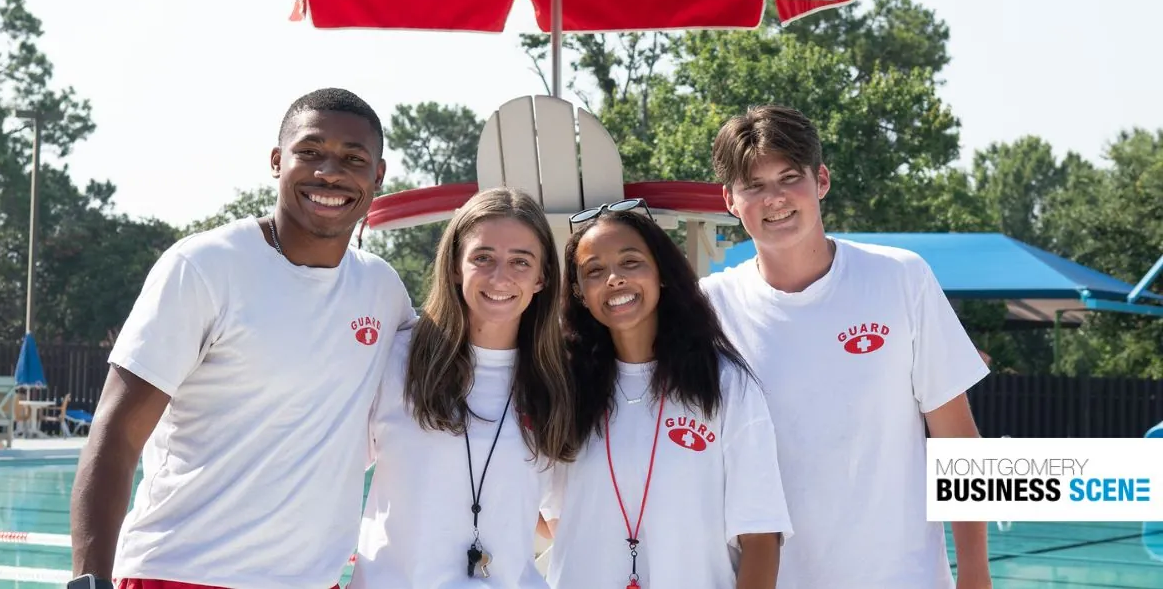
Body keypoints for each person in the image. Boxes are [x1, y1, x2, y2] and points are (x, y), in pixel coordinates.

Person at [69, 88, 416, 589]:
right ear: (278, 161)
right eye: (310, 152)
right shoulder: (205, 267)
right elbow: (117, 434)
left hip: (314, 582)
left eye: (353, 158)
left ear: (377, 176)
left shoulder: (382, 290)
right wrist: (88, 581)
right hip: (181, 574)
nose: (329, 172)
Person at [700, 105, 992, 589]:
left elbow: (958, 441)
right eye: (754, 186)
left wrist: (976, 574)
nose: (774, 199)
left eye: (789, 177)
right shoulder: (711, 308)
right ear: (730, 199)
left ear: (821, 181)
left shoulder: (900, 278)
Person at [542, 200, 791, 589]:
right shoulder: (561, 390)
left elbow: (760, 538)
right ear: (578, 293)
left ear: (661, 272)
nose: (614, 279)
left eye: (630, 262)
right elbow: (546, 516)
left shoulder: (724, 383)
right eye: (595, 271)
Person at [349, 187, 574, 589]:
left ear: (542, 278)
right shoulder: (396, 356)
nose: (500, 277)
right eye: (482, 258)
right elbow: (328, 476)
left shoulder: (558, 379)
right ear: (455, 265)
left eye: (520, 262)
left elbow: (560, 521)